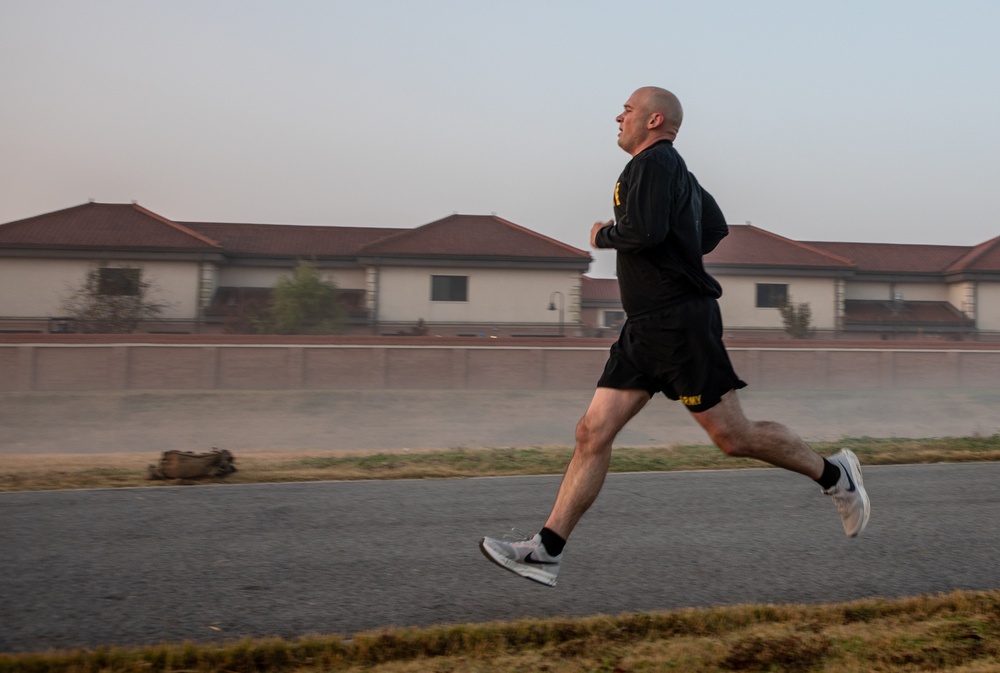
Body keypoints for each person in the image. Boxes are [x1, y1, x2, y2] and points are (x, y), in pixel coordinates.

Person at [479, 86, 870, 587]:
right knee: (592, 432)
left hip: (679, 324)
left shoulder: (654, 164)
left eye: (626, 110)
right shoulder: (677, 172)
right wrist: (678, 250)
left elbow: (642, 232)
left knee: (734, 437)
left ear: (654, 119)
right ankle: (546, 551)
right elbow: (713, 227)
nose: (617, 117)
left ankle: (836, 475)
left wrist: (602, 235)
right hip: (644, 327)